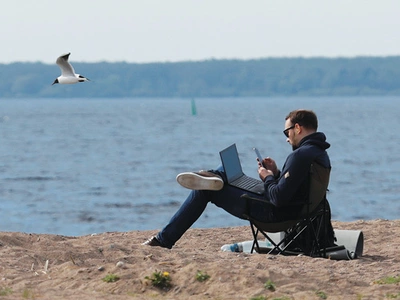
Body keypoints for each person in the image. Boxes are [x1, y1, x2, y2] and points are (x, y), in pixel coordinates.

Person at [142, 109, 332, 249]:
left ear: (297, 128)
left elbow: (278, 198)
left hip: (274, 215)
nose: (287, 138)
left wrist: (266, 178)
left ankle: (163, 240)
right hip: (289, 210)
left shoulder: (300, 156)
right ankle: (214, 175)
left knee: (205, 190)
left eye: (287, 132)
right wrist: (275, 174)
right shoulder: (318, 152)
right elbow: (294, 188)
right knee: (222, 174)